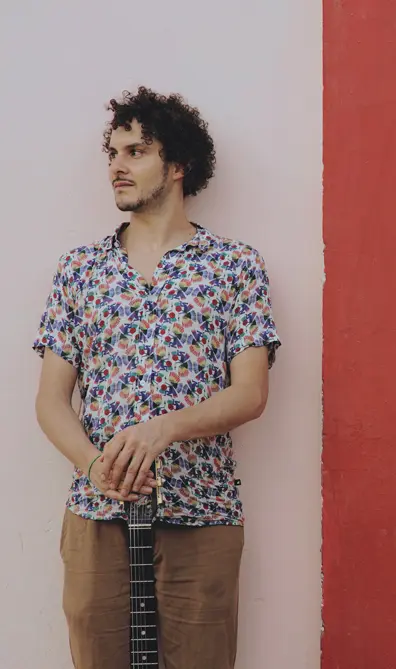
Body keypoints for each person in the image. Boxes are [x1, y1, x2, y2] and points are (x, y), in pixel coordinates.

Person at [33, 86, 280, 669]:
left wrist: (160, 431)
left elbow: (250, 393)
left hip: (202, 508)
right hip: (99, 513)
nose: (116, 166)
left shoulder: (234, 266)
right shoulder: (80, 269)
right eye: (112, 153)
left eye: (136, 151)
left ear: (177, 165)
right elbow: (50, 401)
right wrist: (95, 466)